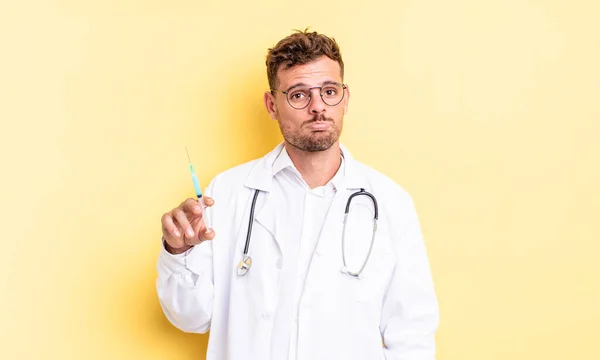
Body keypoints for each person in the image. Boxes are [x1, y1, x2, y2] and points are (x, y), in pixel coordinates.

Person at [156, 29, 439, 360]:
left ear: (345, 98)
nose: (318, 107)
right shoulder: (228, 192)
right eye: (299, 95)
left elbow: (412, 336)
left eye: (329, 91)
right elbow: (192, 317)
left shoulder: (391, 203)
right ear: (272, 104)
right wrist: (178, 251)